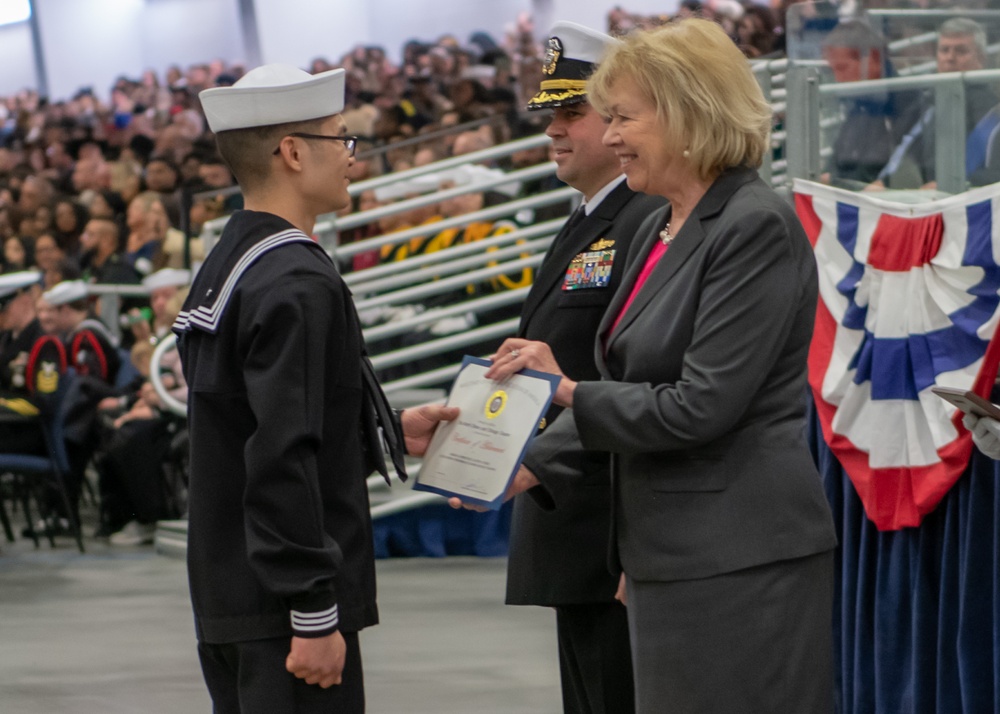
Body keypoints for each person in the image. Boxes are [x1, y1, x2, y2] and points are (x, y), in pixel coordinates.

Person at [460, 19, 838, 712]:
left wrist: (567, 390)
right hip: (669, 554)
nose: (609, 137)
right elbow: (633, 385)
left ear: (690, 114)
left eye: (624, 118)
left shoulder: (752, 225)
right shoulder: (666, 224)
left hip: (738, 559)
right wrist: (527, 459)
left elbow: (700, 405)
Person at [174, 63, 457, 713]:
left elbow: (252, 427)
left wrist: (379, 431)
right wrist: (312, 610)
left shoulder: (233, 261)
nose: (353, 157)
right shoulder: (295, 280)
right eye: (340, 139)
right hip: (282, 612)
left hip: (234, 592)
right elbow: (278, 455)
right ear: (294, 153)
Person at [503, 21, 665, 714]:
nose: (555, 130)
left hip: (612, 522)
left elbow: (638, 371)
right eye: (551, 115)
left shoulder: (649, 218)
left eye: (575, 113)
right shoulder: (589, 219)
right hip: (574, 520)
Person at [873, 17, 997, 189]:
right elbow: (907, 150)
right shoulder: (929, 103)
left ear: (981, 59)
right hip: (928, 202)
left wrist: (952, 185)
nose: (950, 58)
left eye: (961, 51)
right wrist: (884, 181)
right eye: (944, 50)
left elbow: (993, 172)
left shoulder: (992, 111)